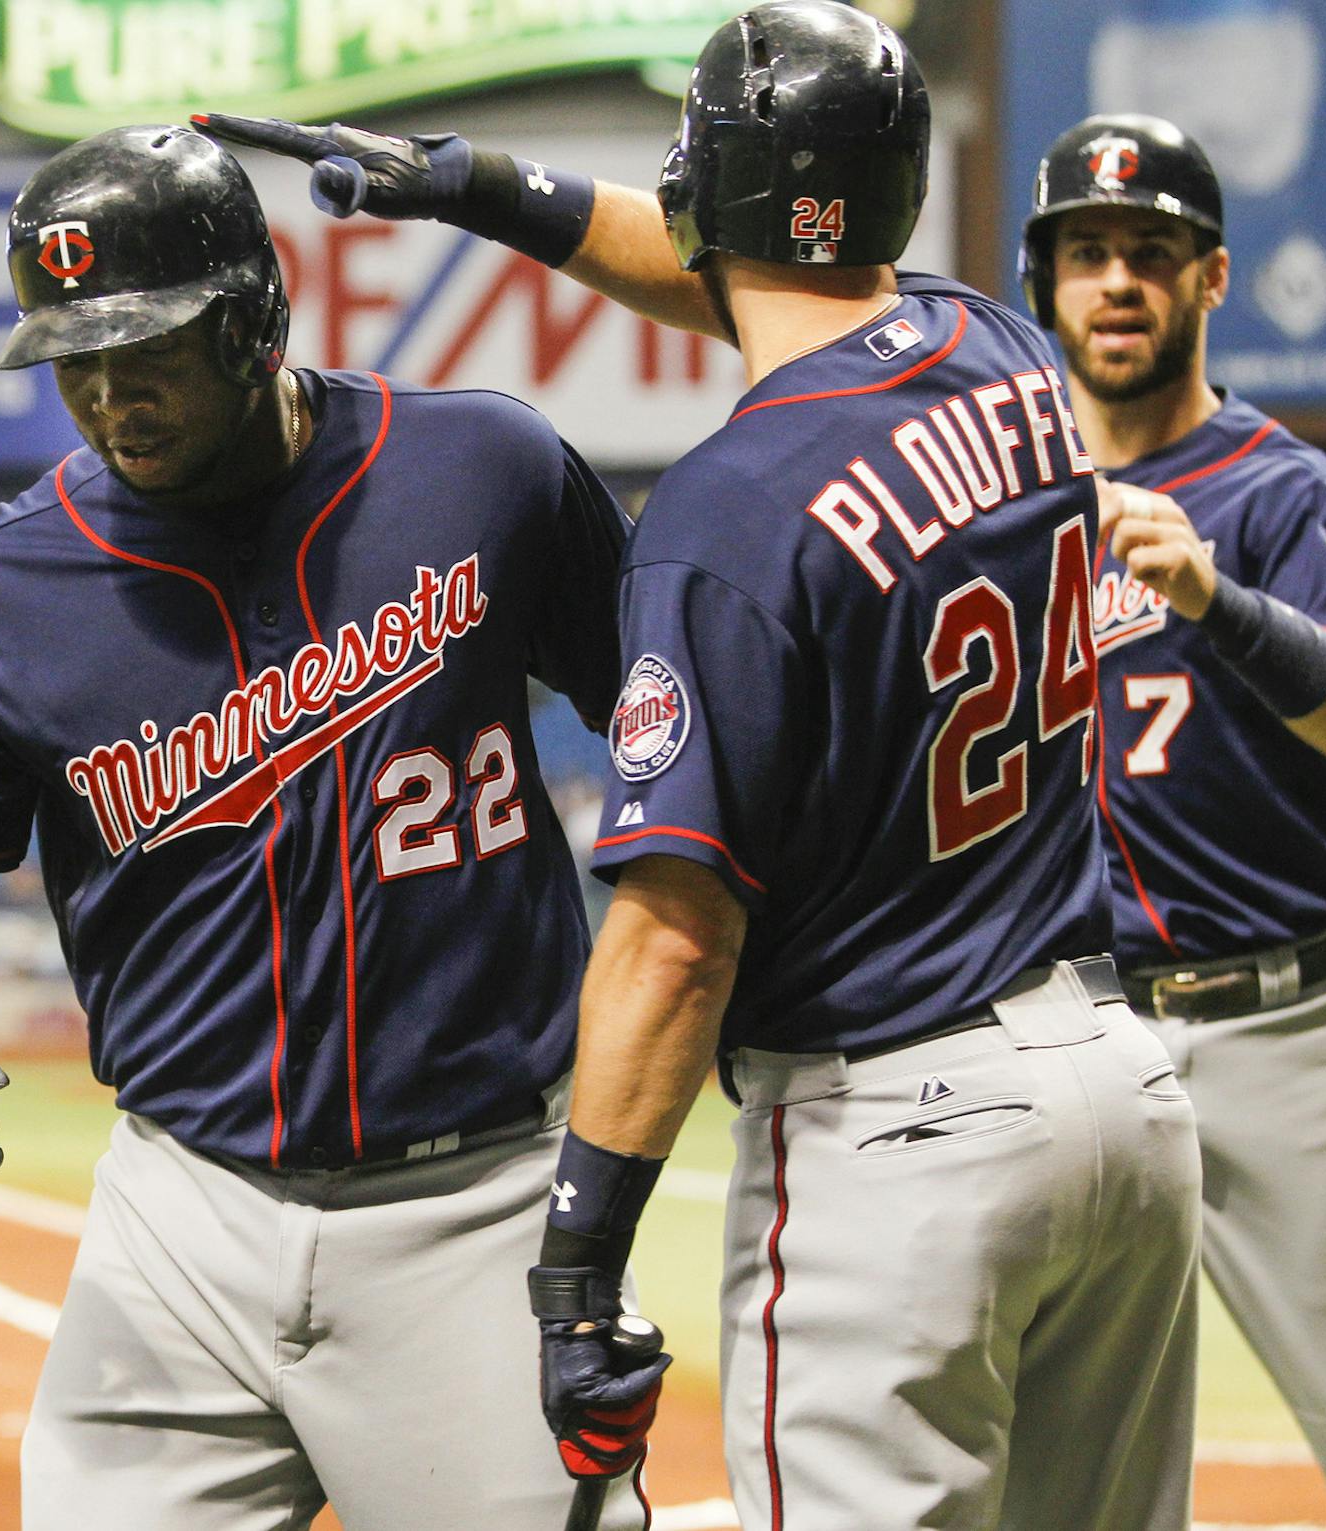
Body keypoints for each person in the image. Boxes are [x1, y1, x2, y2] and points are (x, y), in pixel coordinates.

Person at [209, 6, 1201, 1526]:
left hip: (902, 1131)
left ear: (717, 193)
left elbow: (672, 942)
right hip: (1122, 1098)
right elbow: (777, 278)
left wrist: (579, 1253)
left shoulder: (723, 516)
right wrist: (477, 186)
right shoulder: (1001, 351)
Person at [0, 123, 647, 1530]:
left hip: (478, 1202)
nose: (106, 395)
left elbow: (664, 718)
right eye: (73, 359)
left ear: (256, 314)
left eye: (144, 349)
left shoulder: (485, 470)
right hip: (176, 1214)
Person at [1023, 113, 1326, 1530]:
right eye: (1086, 253)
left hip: (1281, 1031)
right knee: (1068, 1481)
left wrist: (1218, 600)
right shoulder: (1000, 509)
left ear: (1211, 280)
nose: (1116, 282)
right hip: (1073, 1040)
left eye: (1151, 253)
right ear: (1047, 285)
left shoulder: (1285, 491)